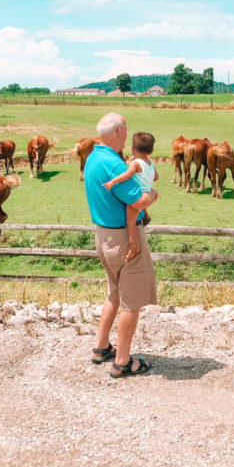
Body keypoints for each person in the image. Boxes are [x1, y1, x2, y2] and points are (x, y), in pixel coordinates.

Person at [84, 112, 158, 378]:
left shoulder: (93, 157)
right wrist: (152, 195)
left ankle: (101, 346)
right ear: (117, 133)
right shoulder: (115, 166)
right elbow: (137, 201)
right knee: (131, 302)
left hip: (103, 235)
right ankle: (123, 361)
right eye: (125, 130)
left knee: (113, 293)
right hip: (123, 238)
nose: (126, 135)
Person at [101, 131, 158, 263]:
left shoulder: (135, 163)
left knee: (130, 224)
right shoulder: (150, 163)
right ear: (152, 150)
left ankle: (133, 247)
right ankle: (145, 214)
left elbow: (128, 175)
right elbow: (155, 177)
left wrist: (113, 181)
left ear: (132, 148)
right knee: (137, 217)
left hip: (138, 196)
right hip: (147, 192)